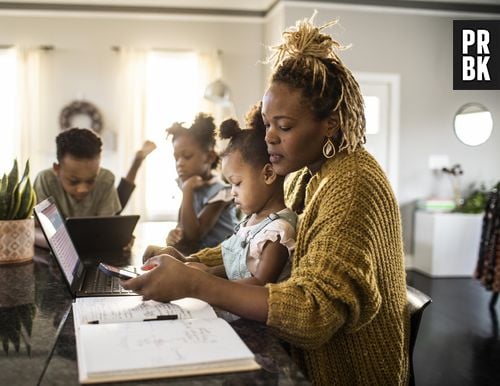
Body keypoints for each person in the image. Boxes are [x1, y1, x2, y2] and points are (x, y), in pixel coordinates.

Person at [124, 14, 409, 385]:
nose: (269, 137)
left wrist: (195, 283)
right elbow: (250, 240)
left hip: (344, 372)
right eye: (267, 123)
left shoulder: (352, 183)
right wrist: (187, 263)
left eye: (285, 126)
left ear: (331, 124)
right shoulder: (305, 174)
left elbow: (313, 313)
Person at [156, 103, 297, 286]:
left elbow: (260, 284)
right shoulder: (251, 222)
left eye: (237, 183)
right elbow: (236, 266)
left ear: (268, 174)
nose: (232, 192)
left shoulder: (277, 231)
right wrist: (207, 271)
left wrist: (204, 281)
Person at [33, 127, 155, 247]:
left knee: (118, 206)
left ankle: (137, 161)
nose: (83, 189)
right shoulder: (45, 180)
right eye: (74, 181)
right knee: (120, 201)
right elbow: (35, 230)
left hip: (102, 216)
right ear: (57, 169)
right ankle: (137, 160)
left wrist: (118, 238)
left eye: (91, 181)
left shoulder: (105, 178)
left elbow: (106, 229)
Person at [165, 113, 237, 255]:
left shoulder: (221, 192)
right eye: (176, 158)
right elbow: (183, 228)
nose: (179, 163)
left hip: (222, 259)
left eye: (187, 156)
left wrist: (187, 190)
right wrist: (174, 235)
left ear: (210, 157)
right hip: (197, 257)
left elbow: (194, 235)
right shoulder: (189, 185)